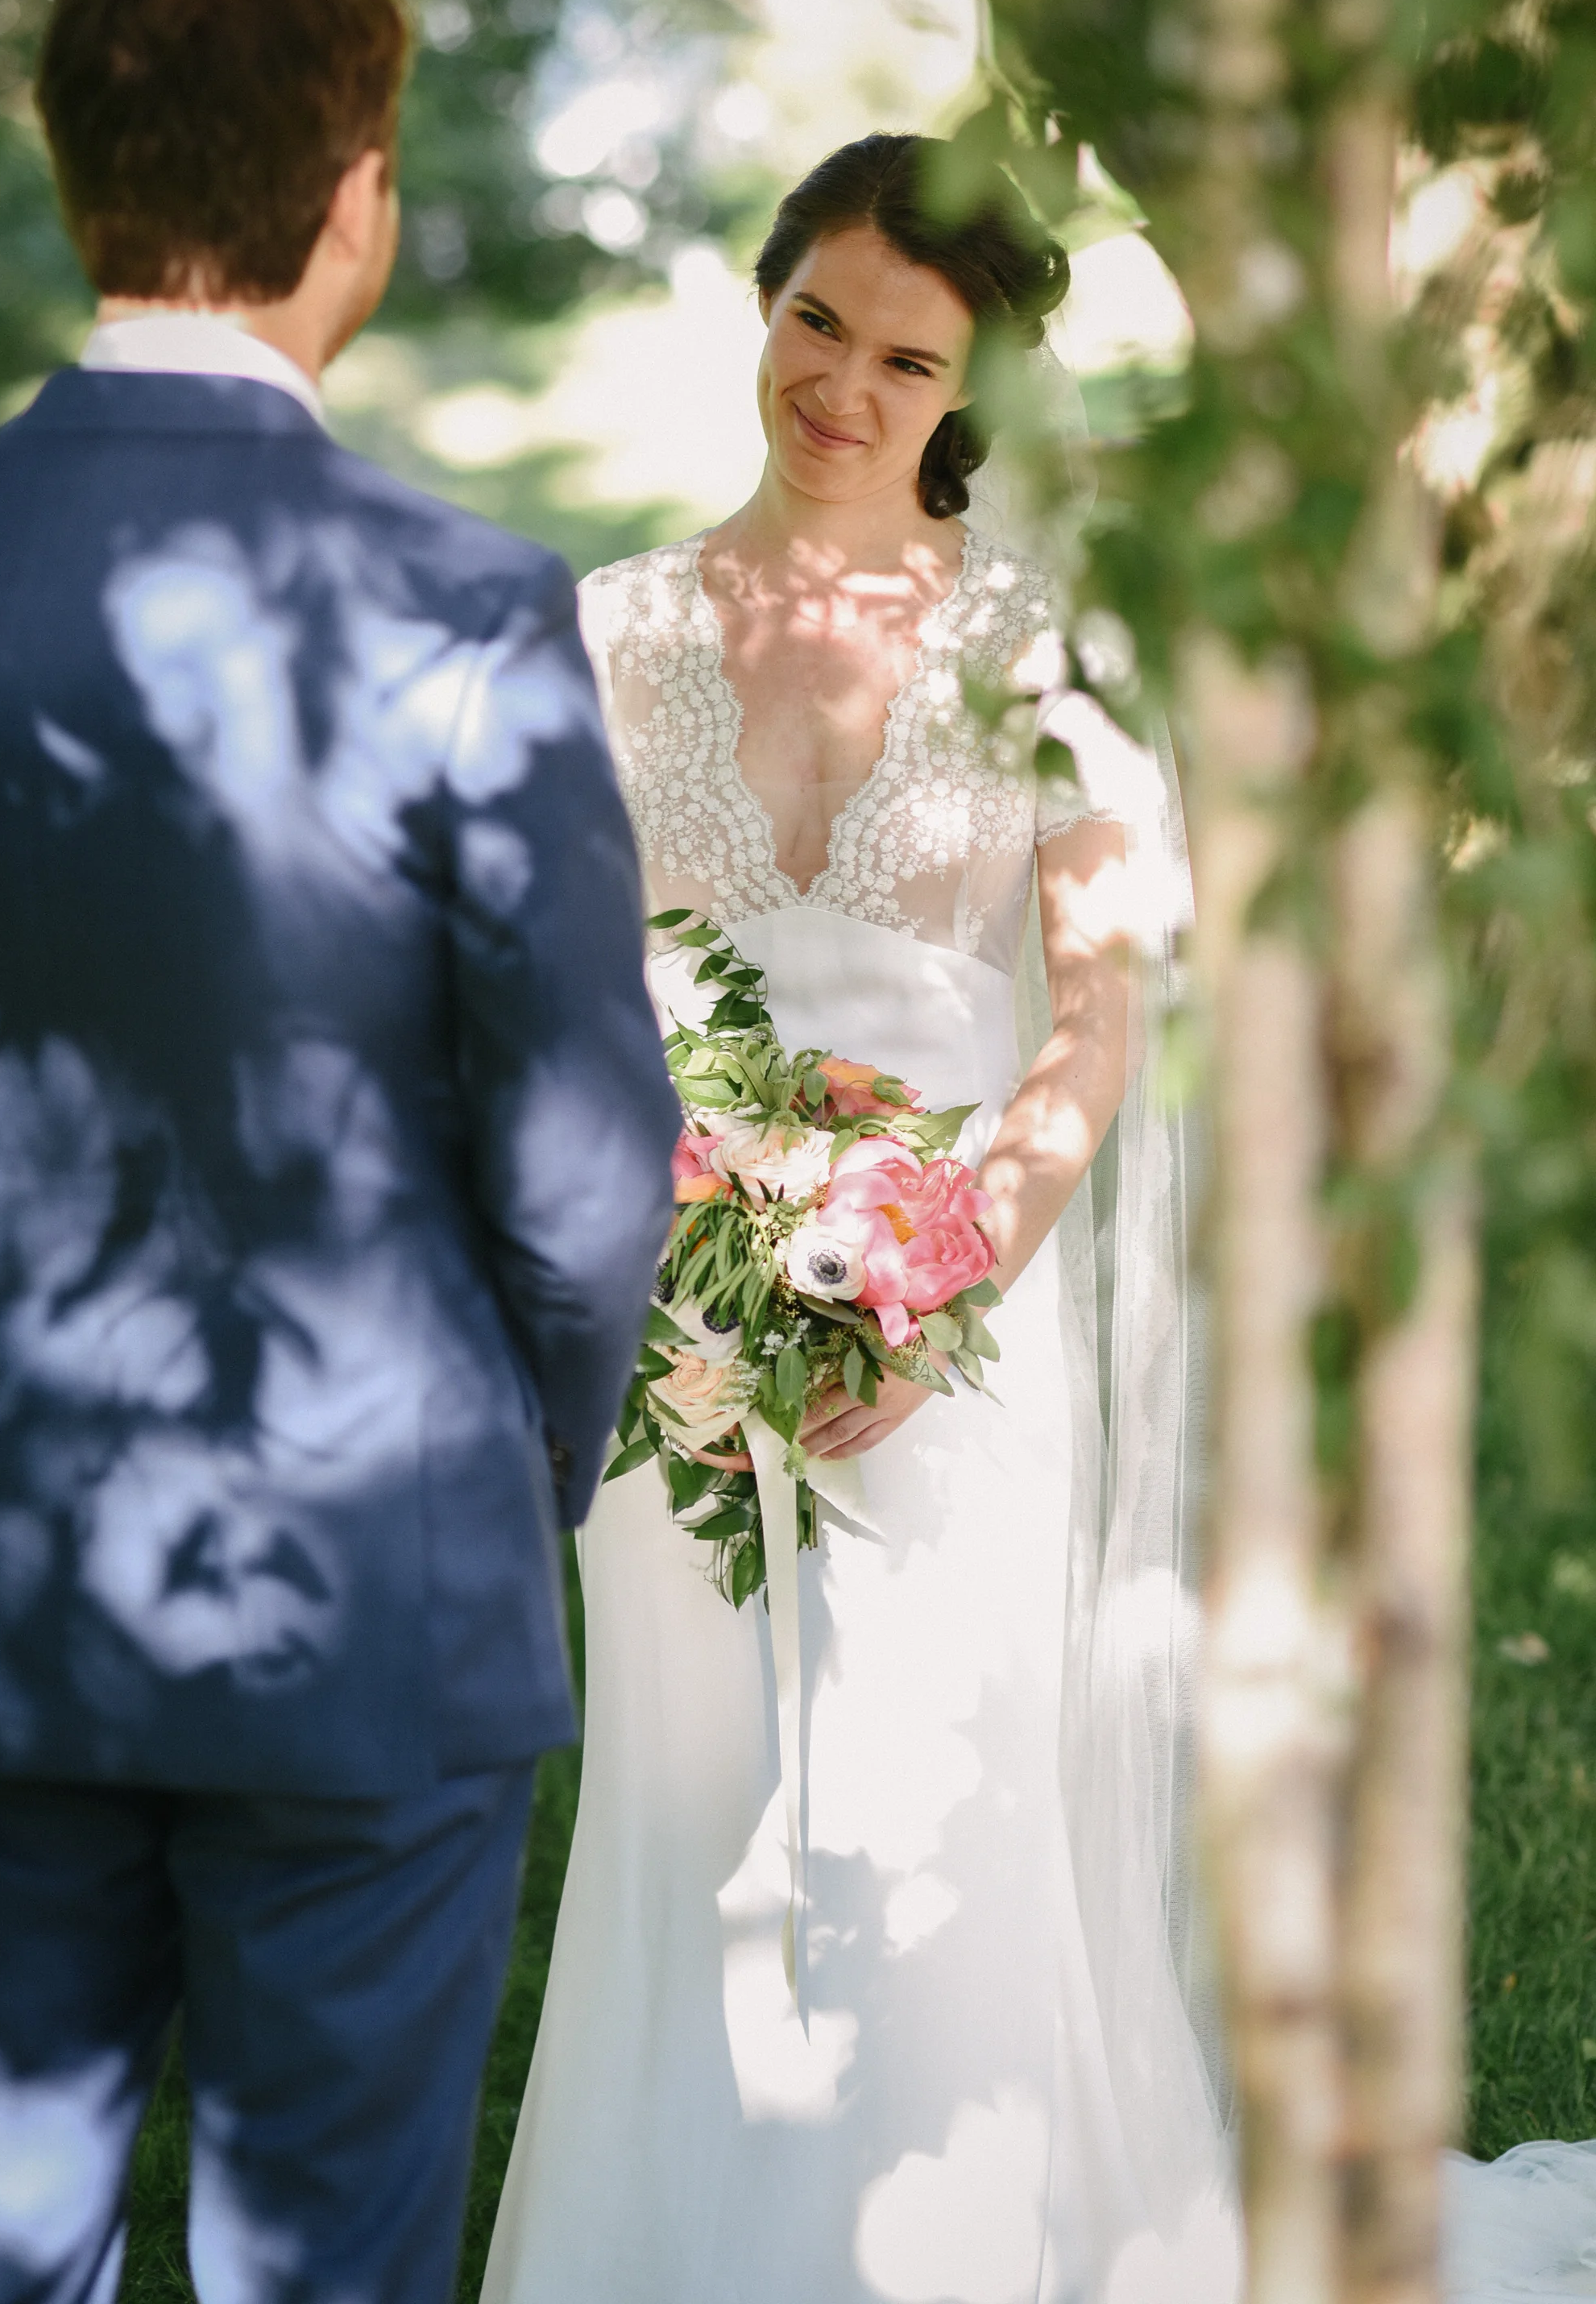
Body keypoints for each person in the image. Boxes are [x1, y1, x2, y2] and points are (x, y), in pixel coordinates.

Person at [0, 0, 677, 2304]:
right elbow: (583, 1166)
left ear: (73, 167)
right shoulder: (463, 606)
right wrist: (518, 1468)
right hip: (373, 1576)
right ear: (357, 196)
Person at [483, 132, 1240, 2304]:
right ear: (766, 300)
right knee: (690, 1821)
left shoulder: (1049, 655)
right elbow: (536, 1011)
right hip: (676, 1337)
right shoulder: (607, 632)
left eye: (907, 359)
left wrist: (931, 1281)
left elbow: (1092, 1035)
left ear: (971, 387)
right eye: (817, 320)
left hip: (958, 1329)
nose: (843, 385)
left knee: (932, 1818)